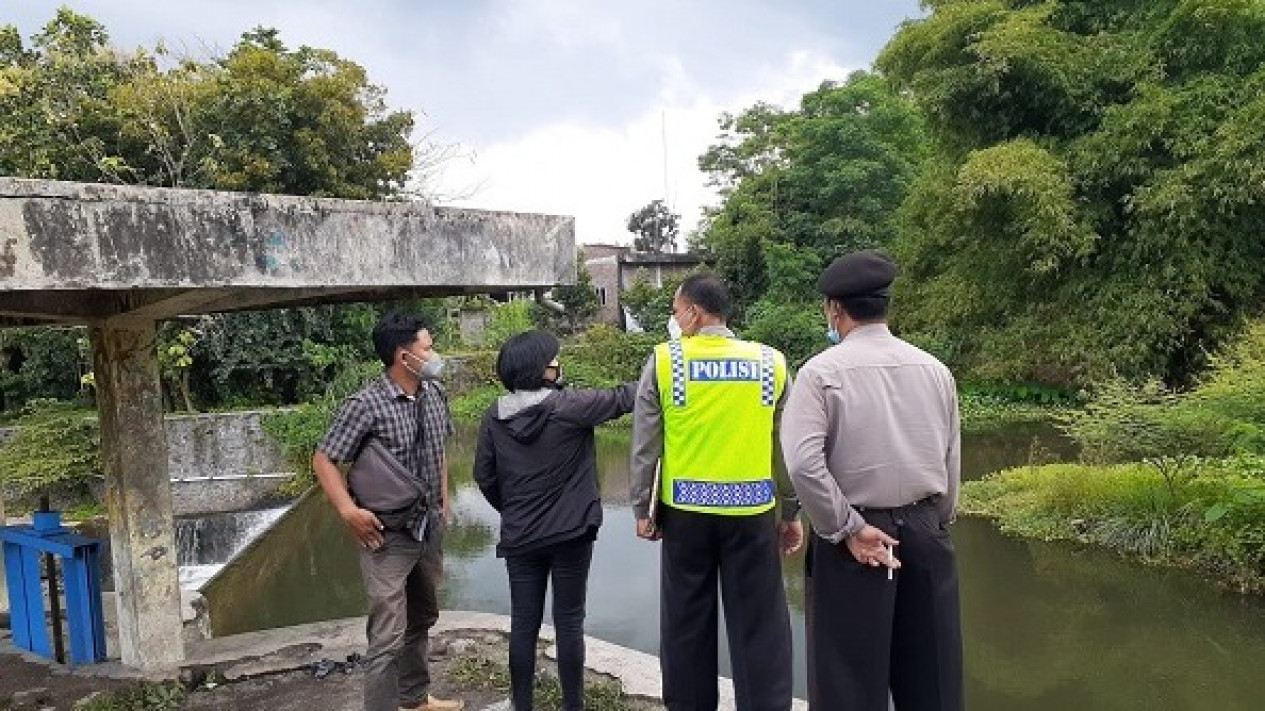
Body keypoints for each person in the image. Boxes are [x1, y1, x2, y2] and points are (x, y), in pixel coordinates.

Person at [780, 250, 963, 711]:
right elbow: (950, 458)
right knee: (934, 681)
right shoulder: (935, 370)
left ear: (834, 309)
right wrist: (934, 523)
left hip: (854, 540)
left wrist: (847, 527)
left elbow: (803, 464)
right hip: (926, 532)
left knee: (848, 685)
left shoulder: (820, 373)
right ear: (885, 305)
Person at [630, 273, 804, 711]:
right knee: (760, 626)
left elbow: (646, 445)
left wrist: (643, 508)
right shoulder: (770, 363)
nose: (674, 319)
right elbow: (785, 447)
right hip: (752, 514)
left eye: (675, 311)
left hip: (686, 514)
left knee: (686, 625)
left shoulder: (665, 361)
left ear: (694, 312)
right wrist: (790, 511)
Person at [473, 330, 637, 711]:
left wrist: (512, 510)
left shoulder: (494, 416)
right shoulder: (569, 406)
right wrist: (667, 365)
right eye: (553, 359)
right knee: (569, 622)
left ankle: (522, 705)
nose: (557, 364)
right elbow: (623, 399)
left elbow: (484, 476)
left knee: (523, 624)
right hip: (571, 534)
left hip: (521, 538)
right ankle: (573, 706)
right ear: (541, 369)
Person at [312, 312, 463, 711]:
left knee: (422, 617)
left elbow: (440, 451)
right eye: (428, 348)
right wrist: (348, 511)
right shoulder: (366, 405)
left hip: (428, 526)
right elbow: (324, 459)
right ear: (403, 356)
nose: (435, 355)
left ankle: (414, 699)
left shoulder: (435, 393)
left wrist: (443, 501)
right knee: (387, 635)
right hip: (386, 534)